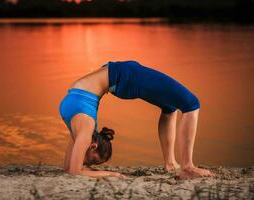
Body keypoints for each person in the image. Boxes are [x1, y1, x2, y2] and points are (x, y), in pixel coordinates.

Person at [59, 60, 216, 179]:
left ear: (93, 146)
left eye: (91, 162)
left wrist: (86, 170)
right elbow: (74, 171)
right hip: (121, 78)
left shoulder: (84, 129)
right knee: (192, 104)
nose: (86, 164)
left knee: (171, 107)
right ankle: (187, 166)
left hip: (120, 77)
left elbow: (70, 169)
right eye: (91, 163)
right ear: (93, 145)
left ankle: (170, 164)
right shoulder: (86, 126)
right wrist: (113, 174)